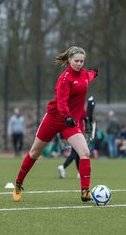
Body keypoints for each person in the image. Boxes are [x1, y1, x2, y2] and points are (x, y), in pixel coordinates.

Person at [12, 46, 98, 202]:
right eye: (76, 61)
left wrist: (95, 73)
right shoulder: (65, 78)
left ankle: (85, 192)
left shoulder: (85, 75)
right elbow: (61, 100)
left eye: (82, 61)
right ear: (69, 60)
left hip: (70, 123)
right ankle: (18, 184)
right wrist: (66, 116)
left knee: (84, 152)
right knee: (34, 153)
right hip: (54, 118)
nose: (79, 64)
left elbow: (88, 76)